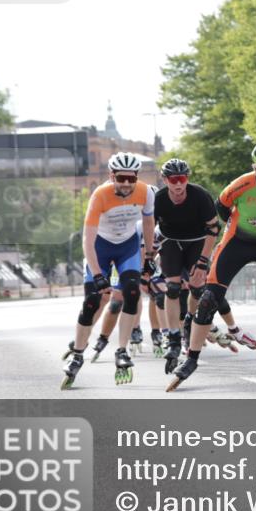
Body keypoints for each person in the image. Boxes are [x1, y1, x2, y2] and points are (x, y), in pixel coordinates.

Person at [166, 142, 256, 390]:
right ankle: (191, 359)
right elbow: (220, 208)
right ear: (255, 168)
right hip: (236, 243)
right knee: (209, 298)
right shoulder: (241, 184)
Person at [61, 152, 155, 389]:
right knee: (93, 300)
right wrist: (98, 275)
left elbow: (148, 223)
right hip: (100, 247)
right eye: (120, 178)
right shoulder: (100, 195)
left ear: (136, 177)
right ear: (112, 176)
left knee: (132, 292)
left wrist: (150, 255)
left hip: (127, 247)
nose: (125, 183)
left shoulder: (146, 192)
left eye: (131, 178)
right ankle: (78, 353)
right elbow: (87, 239)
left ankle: (121, 350)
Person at [149, 158, 220, 376]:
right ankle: (172, 337)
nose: (179, 184)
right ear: (165, 180)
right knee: (172, 288)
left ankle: (188, 321)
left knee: (198, 288)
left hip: (198, 241)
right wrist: (147, 255)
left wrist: (202, 261)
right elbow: (148, 227)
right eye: (173, 180)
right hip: (171, 241)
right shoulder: (158, 199)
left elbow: (214, 229)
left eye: (183, 179)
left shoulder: (200, 195)